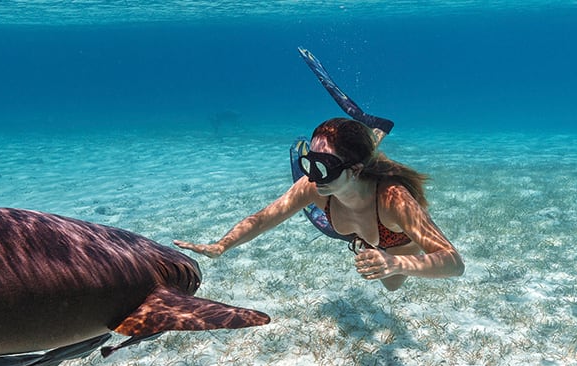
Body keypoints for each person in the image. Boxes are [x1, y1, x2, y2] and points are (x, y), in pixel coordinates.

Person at [174, 48, 463, 291]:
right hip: (352, 223)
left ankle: (375, 129)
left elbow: (454, 262)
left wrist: (396, 263)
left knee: (392, 285)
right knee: (341, 171)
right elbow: (263, 219)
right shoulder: (314, 186)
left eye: (322, 167)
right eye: (308, 162)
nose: (311, 176)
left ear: (354, 170)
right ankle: (371, 132)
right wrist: (222, 245)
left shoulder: (394, 200)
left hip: (393, 240)